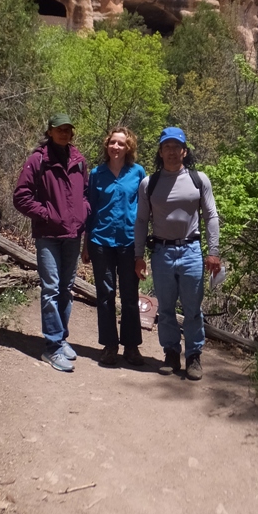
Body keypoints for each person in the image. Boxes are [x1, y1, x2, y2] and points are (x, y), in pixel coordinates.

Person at [134, 127, 221, 381]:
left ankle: (193, 356)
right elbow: (141, 221)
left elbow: (211, 216)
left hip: (192, 251)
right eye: (166, 147)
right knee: (167, 308)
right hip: (161, 252)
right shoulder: (149, 184)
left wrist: (213, 252)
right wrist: (138, 255)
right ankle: (171, 353)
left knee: (193, 308)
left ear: (184, 151)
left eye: (176, 147)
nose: (172, 152)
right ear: (160, 152)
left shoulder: (199, 180)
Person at [13, 113, 89, 372]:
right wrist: (47, 214)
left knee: (67, 288)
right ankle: (51, 347)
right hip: (48, 235)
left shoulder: (78, 160)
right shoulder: (38, 160)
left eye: (68, 129)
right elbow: (21, 197)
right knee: (51, 289)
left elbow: (86, 194)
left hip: (72, 235)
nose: (64, 133)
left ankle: (61, 338)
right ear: (50, 131)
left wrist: (82, 214)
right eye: (59, 129)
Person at [82, 127, 146, 367]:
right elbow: (91, 210)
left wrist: (142, 249)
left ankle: (131, 347)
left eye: (121, 143)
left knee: (130, 296)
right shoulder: (97, 174)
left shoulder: (138, 173)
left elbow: (145, 210)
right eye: (113, 143)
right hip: (101, 241)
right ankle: (110, 345)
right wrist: (86, 243)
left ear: (128, 147)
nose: (116, 147)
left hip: (129, 242)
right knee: (106, 294)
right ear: (107, 145)